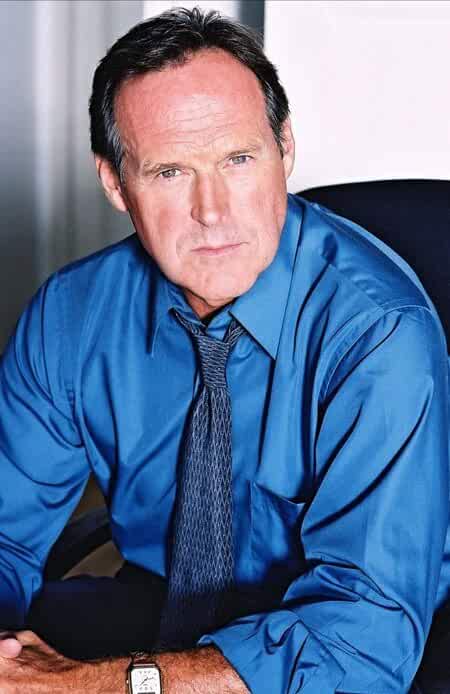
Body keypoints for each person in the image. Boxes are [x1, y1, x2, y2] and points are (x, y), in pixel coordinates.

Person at [0, 6, 448, 693]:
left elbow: (361, 642)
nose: (212, 212)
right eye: (170, 172)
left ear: (284, 149)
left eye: (238, 159)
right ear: (115, 183)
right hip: (158, 610)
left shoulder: (378, 334)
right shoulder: (72, 314)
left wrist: (98, 684)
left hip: (351, 651)